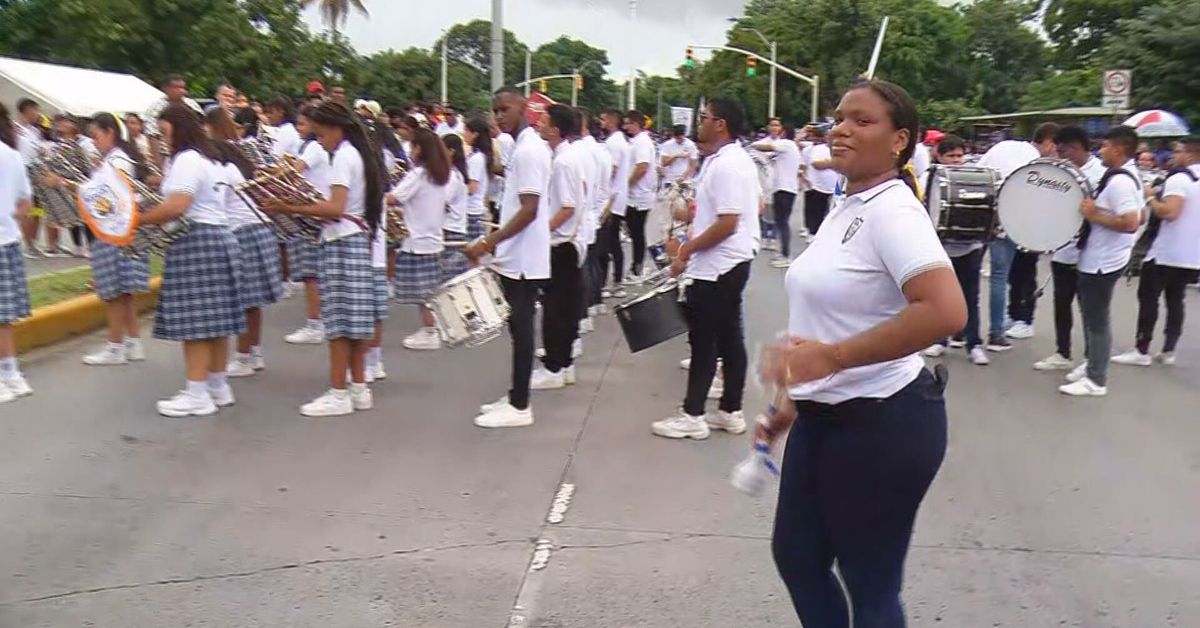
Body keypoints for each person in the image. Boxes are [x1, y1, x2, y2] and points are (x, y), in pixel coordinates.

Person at [761, 79, 966, 627]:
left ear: (899, 140)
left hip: (884, 422)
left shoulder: (894, 211)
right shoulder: (849, 201)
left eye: (861, 120)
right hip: (823, 417)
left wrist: (832, 359)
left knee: (869, 584)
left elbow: (945, 311)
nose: (841, 129)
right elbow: (837, 312)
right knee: (798, 556)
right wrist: (793, 402)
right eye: (838, 118)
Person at [262, 100, 385, 416]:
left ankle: (338, 392)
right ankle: (357, 388)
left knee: (339, 324)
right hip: (355, 240)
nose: (319, 141)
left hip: (342, 241)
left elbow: (335, 208)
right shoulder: (358, 154)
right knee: (353, 323)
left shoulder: (343, 156)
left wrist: (289, 207)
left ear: (335, 129)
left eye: (320, 134)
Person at [651, 96, 759, 440]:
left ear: (720, 124)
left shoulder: (728, 165)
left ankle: (693, 415)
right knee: (729, 338)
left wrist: (686, 250)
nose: (699, 123)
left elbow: (728, 223)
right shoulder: (728, 160)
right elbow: (724, 213)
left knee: (705, 341)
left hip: (719, 266)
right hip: (728, 263)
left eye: (704, 117)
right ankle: (730, 410)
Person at [141, 103, 246, 417]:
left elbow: (177, 206)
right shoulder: (209, 158)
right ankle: (217, 386)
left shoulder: (186, 158)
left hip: (197, 241)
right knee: (216, 322)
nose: (161, 139)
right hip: (219, 237)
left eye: (164, 132)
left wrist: (137, 220)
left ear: (178, 126)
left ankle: (196, 392)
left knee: (196, 323)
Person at [464, 87, 552, 428]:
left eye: (505, 109)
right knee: (518, 328)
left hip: (525, 256)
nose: (499, 116)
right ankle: (517, 394)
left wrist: (488, 242)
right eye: (495, 111)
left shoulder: (530, 151)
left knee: (523, 327)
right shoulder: (521, 148)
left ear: (523, 109)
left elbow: (529, 210)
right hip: (517, 254)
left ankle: (520, 405)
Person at [1059, 126, 1142, 396]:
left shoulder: (1121, 182)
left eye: (1104, 146)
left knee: (1097, 321)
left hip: (1103, 262)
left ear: (1118, 149)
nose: (1100, 150)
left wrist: (1094, 215)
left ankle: (1096, 380)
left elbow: (1131, 222)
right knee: (1092, 317)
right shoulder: (1122, 176)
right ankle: (1092, 363)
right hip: (1098, 258)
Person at [204, 108, 283, 378]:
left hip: (244, 231)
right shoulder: (237, 157)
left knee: (244, 300)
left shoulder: (223, 166)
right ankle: (253, 352)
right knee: (252, 301)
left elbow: (218, 206)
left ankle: (244, 356)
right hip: (257, 228)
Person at [69, 113, 152, 366]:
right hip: (126, 230)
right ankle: (132, 342)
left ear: (110, 132)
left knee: (113, 293)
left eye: (96, 136)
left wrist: (65, 182)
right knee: (124, 292)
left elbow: (103, 197)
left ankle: (115, 346)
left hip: (115, 230)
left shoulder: (115, 161)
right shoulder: (121, 159)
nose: (94, 142)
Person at [1110, 136, 1200, 367]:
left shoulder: (1180, 178)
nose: (1173, 156)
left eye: (1178, 151)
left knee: (1149, 298)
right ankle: (1169, 349)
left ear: (1189, 154)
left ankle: (1142, 349)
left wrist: (1150, 196)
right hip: (1190, 253)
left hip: (1165, 251)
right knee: (1175, 299)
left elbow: (1169, 212)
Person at [977, 123, 1059, 351]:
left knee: (975, 276)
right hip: (1010, 222)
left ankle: (962, 332)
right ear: (1049, 142)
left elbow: (979, 171)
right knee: (1000, 277)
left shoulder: (1004, 146)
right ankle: (996, 333)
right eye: (1055, 147)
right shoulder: (1038, 163)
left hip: (983, 216)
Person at [1033, 125, 1106, 371]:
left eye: (1064, 151)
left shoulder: (1099, 174)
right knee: (1062, 303)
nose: (1060, 155)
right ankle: (1062, 353)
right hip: (1063, 250)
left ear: (1077, 148)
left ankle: (1090, 358)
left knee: (1088, 308)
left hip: (1089, 252)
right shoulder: (1060, 170)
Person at [529, 104, 588, 391]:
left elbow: (567, 207)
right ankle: (563, 364)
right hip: (565, 244)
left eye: (542, 120)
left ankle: (554, 366)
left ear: (555, 129)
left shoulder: (563, 162)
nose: (538, 123)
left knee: (555, 310)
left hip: (560, 245)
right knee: (562, 308)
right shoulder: (563, 157)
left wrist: (541, 230)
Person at [921, 135, 990, 365]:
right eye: (951, 156)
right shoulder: (928, 178)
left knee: (970, 297)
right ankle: (940, 340)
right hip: (939, 248)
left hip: (969, 247)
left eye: (960, 156)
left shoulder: (974, 175)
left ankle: (974, 344)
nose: (957, 160)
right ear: (939, 156)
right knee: (941, 298)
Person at [390, 127, 451, 352]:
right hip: (432, 237)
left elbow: (394, 197)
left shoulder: (418, 175)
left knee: (423, 293)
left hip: (417, 240)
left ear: (418, 148)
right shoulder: (440, 174)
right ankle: (432, 328)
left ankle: (431, 331)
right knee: (428, 290)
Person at [282, 106, 329, 346]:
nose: (298, 129)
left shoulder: (312, 147)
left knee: (311, 274)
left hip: (310, 214)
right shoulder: (322, 148)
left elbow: (294, 173)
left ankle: (315, 324)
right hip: (321, 212)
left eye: (301, 124)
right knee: (316, 273)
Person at [0, 104, 35, 403]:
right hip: (8, 241)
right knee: (4, 317)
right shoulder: (12, 155)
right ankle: (11, 373)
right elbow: (26, 202)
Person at [577, 109, 613, 324]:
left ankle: (587, 308)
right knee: (594, 260)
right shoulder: (601, 151)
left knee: (585, 264)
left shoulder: (581, 151)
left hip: (588, 211)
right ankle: (595, 301)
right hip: (599, 209)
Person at [751, 117, 802, 267]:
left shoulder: (786, 144)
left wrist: (752, 144)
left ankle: (785, 255)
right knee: (781, 222)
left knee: (782, 223)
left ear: (784, 132)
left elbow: (766, 147)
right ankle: (782, 253)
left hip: (784, 189)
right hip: (785, 189)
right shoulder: (791, 147)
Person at [622, 110, 657, 282]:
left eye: (627, 123)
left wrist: (626, 184)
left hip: (639, 196)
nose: (625, 126)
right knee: (635, 232)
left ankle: (637, 268)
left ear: (635, 124)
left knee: (637, 233)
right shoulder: (637, 142)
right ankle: (637, 267)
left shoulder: (642, 142)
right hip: (636, 195)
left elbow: (642, 167)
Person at [598, 109, 630, 299]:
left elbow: (612, 169)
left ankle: (612, 283)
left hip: (611, 200)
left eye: (603, 118)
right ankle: (616, 281)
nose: (601, 122)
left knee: (609, 244)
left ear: (610, 120)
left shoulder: (613, 143)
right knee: (612, 243)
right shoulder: (619, 141)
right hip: (617, 198)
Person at [440, 133, 473, 280]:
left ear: (451, 152)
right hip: (453, 228)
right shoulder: (455, 174)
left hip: (451, 229)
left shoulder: (453, 176)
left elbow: (442, 201)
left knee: (448, 276)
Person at [462, 117, 494, 242]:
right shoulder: (476, 156)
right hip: (473, 210)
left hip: (471, 211)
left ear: (475, 134)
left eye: (466, 131)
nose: (464, 134)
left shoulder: (477, 159)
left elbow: (472, 187)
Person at [801, 125, 836, 236]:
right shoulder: (817, 149)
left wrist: (828, 163)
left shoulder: (841, 149)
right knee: (816, 212)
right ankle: (813, 233)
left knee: (833, 213)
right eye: (828, 135)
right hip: (818, 187)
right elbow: (816, 164)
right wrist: (834, 163)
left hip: (836, 188)